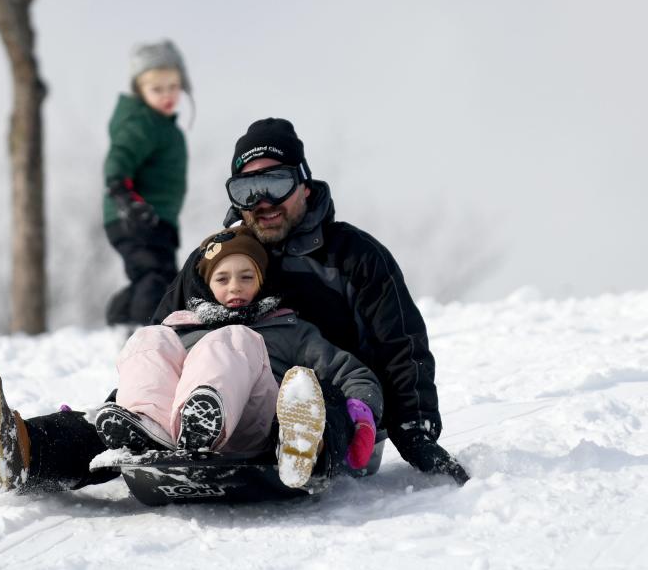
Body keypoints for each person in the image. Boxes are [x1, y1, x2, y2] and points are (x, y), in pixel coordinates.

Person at [152, 118, 470, 485]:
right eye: (248, 189)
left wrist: (415, 430)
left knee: (316, 398)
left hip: (341, 413)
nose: (263, 201)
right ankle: (77, 446)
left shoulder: (353, 256)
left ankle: (301, 443)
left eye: (276, 182)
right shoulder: (215, 260)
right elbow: (165, 340)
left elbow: (400, 345)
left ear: (303, 185)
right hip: (225, 412)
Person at [93, 225, 383, 488]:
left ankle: (278, 437)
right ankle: (149, 428)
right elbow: (154, 378)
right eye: (222, 278)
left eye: (246, 277)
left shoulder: (289, 329)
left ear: (261, 281)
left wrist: (361, 411)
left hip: (255, 428)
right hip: (174, 436)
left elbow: (350, 371)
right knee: (150, 337)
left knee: (233, 337)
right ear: (207, 284)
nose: (235, 287)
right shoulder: (181, 330)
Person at [102, 39, 190, 326]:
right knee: (151, 275)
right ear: (139, 90)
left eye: (172, 87)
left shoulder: (165, 127)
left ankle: (120, 315)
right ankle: (142, 332)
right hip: (134, 216)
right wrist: (124, 196)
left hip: (159, 220)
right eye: (156, 89)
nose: (167, 95)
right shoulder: (142, 124)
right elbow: (119, 158)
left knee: (165, 278)